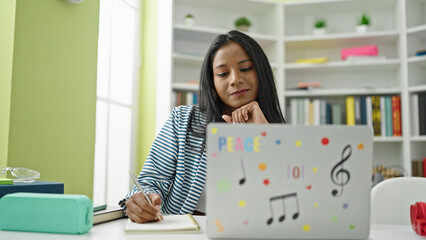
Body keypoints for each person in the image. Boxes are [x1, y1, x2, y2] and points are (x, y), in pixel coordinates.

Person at [119, 30, 286, 223]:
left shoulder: (281, 134)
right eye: (223, 73)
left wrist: (265, 136)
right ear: (213, 85)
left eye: (246, 68)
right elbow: (151, 181)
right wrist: (142, 201)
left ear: (262, 73)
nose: (235, 79)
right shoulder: (183, 120)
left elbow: (290, 194)